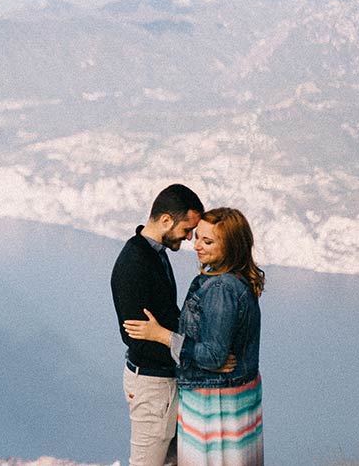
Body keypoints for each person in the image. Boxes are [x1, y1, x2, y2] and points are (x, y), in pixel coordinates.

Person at [124, 207, 265, 466]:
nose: (196, 245)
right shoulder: (234, 279)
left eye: (207, 241)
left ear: (232, 247)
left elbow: (213, 355)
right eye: (197, 236)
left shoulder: (221, 288)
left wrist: (162, 335)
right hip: (233, 398)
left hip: (214, 404)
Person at [111, 184, 204, 466]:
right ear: (166, 220)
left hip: (164, 381)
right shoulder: (136, 263)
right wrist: (192, 354)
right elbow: (137, 338)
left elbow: (166, 314)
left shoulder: (154, 252)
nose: (189, 238)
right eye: (187, 229)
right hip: (153, 385)